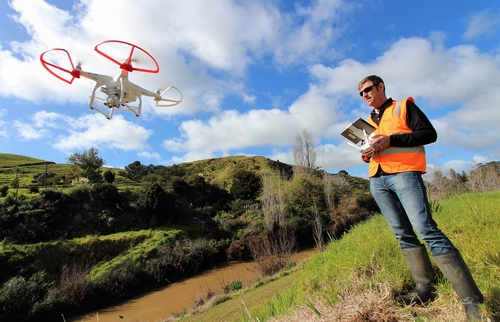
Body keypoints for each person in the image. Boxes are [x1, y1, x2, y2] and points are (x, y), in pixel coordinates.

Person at [357, 75, 488, 321]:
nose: (365, 95)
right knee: (403, 234)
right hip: (378, 179)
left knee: (426, 229)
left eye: (367, 89)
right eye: (361, 93)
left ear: (381, 87)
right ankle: (424, 290)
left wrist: (391, 139)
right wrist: (367, 152)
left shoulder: (404, 106)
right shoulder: (368, 122)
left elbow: (429, 134)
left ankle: (473, 305)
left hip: (405, 175)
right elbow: (372, 152)